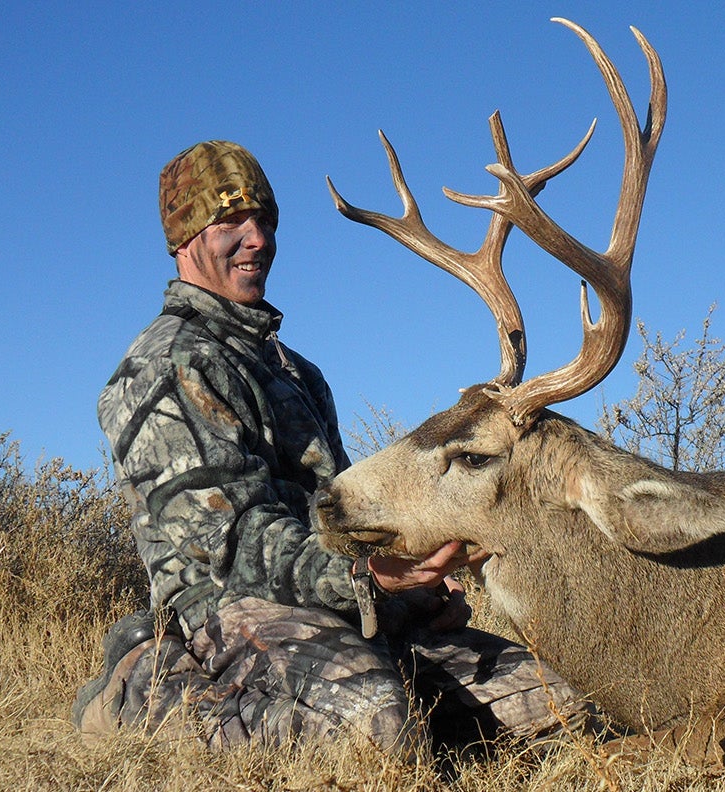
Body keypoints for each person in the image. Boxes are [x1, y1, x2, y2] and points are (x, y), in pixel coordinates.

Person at [72, 140, 587, 756]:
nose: (257, 238)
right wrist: (367, 576)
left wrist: (420, 584)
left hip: (344, 606)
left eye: (264, 221)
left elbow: (340, 515)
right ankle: (142, 695)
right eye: (230, 222)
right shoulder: (163, 367)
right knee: (377, 727)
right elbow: (231, 547)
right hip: (224, 615)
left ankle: (403, 713)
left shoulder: (297, 372)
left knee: (566, 700)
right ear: (185, 242)